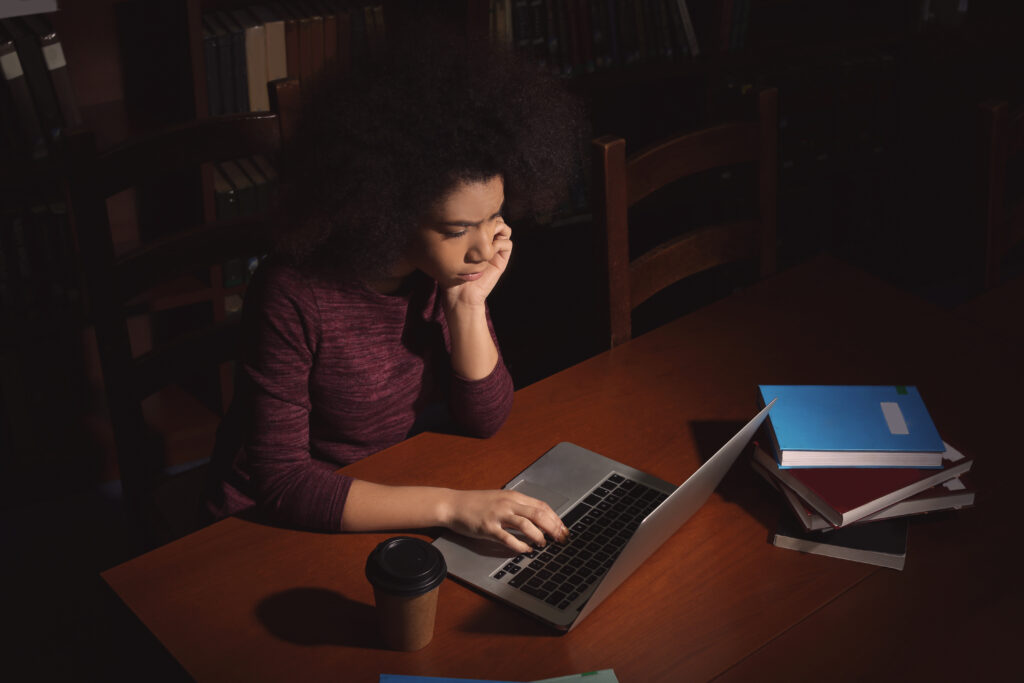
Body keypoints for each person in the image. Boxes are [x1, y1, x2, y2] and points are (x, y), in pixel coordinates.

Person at [204, 36, 584, 554]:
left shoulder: (444, 273)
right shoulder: (292, 294)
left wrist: (468, 305)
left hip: (394, 482)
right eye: (457, 229)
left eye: (494, 217)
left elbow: (486, 419)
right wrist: (453, 506)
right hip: (277, 522)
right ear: (384, 210)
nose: (482, 249)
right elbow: (282, 481)